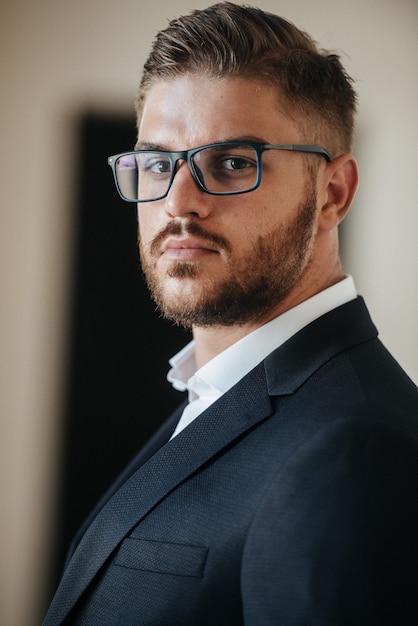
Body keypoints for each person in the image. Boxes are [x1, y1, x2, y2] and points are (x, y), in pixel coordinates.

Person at [44, 3, 418, 625]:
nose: (178, 204)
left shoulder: (357, 452)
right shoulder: (211, 394)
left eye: (233, 162)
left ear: (332, 193)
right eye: (158, 163)